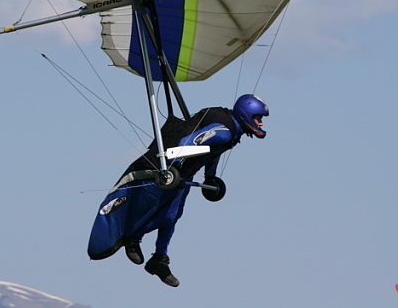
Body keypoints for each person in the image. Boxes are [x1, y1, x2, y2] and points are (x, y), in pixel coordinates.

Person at [87, 94, 269, 287]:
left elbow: (213, 153)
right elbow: (189, 142)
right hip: (163, 168)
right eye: (258, 118)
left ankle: (159, 259)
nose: (261, 123)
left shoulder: (233, 133)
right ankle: (132, 237)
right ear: (246, 114)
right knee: (152, 211)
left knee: (172, 216)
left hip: (182, 175)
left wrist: (210, 177)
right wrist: (175, 165)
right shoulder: (223, 131)